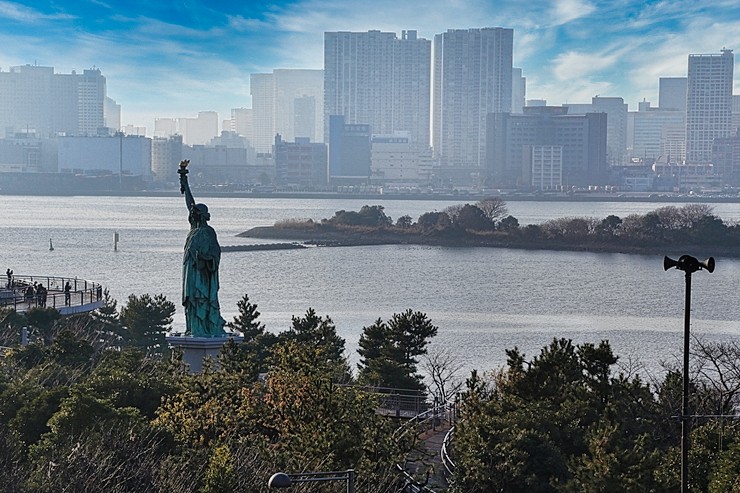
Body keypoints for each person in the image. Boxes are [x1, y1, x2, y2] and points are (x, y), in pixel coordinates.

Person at [178, 160, 226, 337]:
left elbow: (216, 254)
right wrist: (184, 178)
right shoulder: (194, 229)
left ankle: (204, 328)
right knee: (191, 301)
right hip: (190, 272)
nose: (191, 213)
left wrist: (204, 258)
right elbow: (189, 202)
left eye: (194, 212)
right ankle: (193, 328)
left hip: (202, 274)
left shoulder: (208, 232)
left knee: (201, 300)